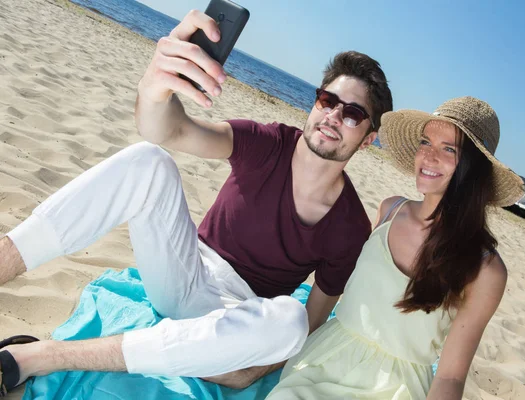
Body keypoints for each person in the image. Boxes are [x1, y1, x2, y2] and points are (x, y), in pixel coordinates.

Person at [0, 10, 393, 395]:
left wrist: (249, 371)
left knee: (290, 321)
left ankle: (44, 355)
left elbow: (312, 321)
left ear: (369, 137)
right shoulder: (267, 142)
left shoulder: (350, 228)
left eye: (353, 113)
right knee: (149, 160)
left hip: (233, 318)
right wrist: (156, 85)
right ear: (315, 103)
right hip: (183, 267)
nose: (333, 116)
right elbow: (168, 128)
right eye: (328, 100)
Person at [266, 96, 525, 400]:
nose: (428, 157)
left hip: (396, 389)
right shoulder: (390, 210)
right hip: (324, 359)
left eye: (449, 149)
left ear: (473, 168)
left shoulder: (485, 269)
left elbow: (452, 376)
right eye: (425, 142)